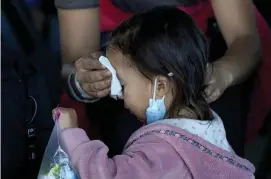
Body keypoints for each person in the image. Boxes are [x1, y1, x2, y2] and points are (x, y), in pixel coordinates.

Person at [53, 8, 255, 179]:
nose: (117, 95)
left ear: (160, 87)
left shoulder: (162, 150)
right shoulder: (208, 126)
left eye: (122, 85)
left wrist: (72, 135)